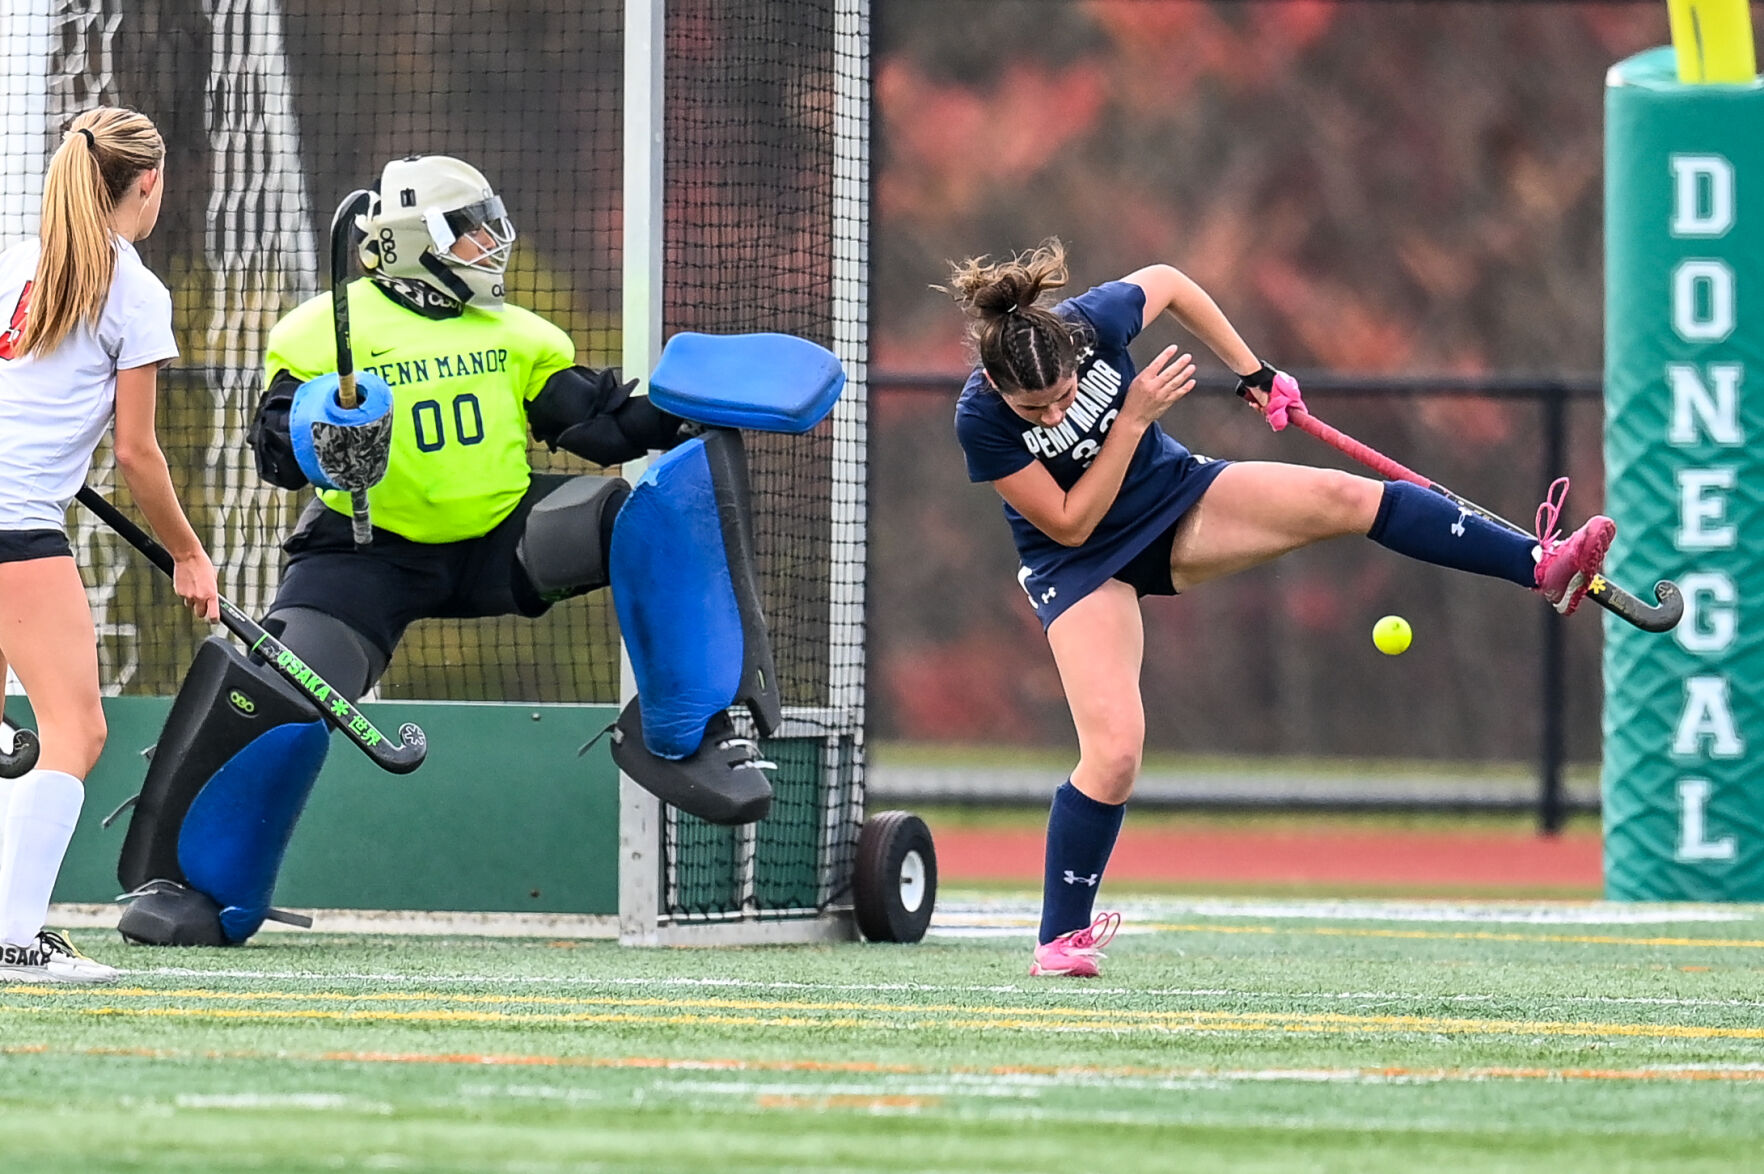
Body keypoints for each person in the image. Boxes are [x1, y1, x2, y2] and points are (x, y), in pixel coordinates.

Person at [114, 153, 776, 948]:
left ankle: (691, 735)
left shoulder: (516, 333)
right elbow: (276, 457)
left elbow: (599, 430)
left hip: (503, 540)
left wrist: (683, 406)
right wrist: (318, 429)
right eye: (467, 230)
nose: (489, 243)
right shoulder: (321, 331)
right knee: (280, 684)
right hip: (365, 557)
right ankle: (192, 886)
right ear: (404, 241)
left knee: (648, 516)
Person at [942, 239, 1614, 978]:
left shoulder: (1092, 324)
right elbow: (1068, 520)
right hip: (1076, 563)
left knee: (1344, 496)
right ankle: (1059, 940)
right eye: (1035, 407)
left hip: (1172, 500)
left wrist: (1255, 371)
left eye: (1066, 394)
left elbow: (1169, 281)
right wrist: (1130, 420)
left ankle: (1539, 566)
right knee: (1116, 753)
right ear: (997, 387)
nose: (1054, 412)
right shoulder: (981, 418)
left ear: (1073, 354)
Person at [0, 107, 219, 983]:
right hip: (16, 527)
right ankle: (15, 937)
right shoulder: (136, 292)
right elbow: (136, 454)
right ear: (148, 185)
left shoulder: (16, 261)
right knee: (75, 730)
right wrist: (191, 555)